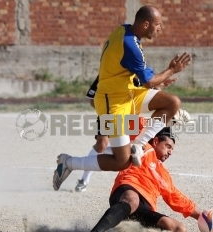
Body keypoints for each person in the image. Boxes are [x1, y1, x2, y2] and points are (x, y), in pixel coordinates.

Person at [53, 5, 192, 191]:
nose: (160, 29)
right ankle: (69, 163)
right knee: (122, 161)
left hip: (127, 95)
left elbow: (129, 72)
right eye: (157, 24)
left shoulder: (125, 30)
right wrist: (172, 70)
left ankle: (139, 145)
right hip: (112, 103)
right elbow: (148, 81)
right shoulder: (130, 44)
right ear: (145, 24)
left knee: (171, 103)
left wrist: (158, 82)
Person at [78, 127, 203, 232]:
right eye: (168, 146)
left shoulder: (164, 175)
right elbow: (136, 121)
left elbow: (176, 198)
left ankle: (123, 230)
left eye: (172, 149)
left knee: (180, 230)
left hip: (144, 209)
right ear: (155, 141)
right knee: (132, 200)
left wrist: (202, 216)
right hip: (127, 190)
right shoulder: (142, 147)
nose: (170, 152)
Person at [75, 77, 193, 192]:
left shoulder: (136, 70)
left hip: (133, 116)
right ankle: (84, 179)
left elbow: (153, 90)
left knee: (141, 146)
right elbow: (92, 100)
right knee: (102, 145)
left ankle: (146, 171)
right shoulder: (106, 74)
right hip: (111, 111)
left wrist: (169, 105)